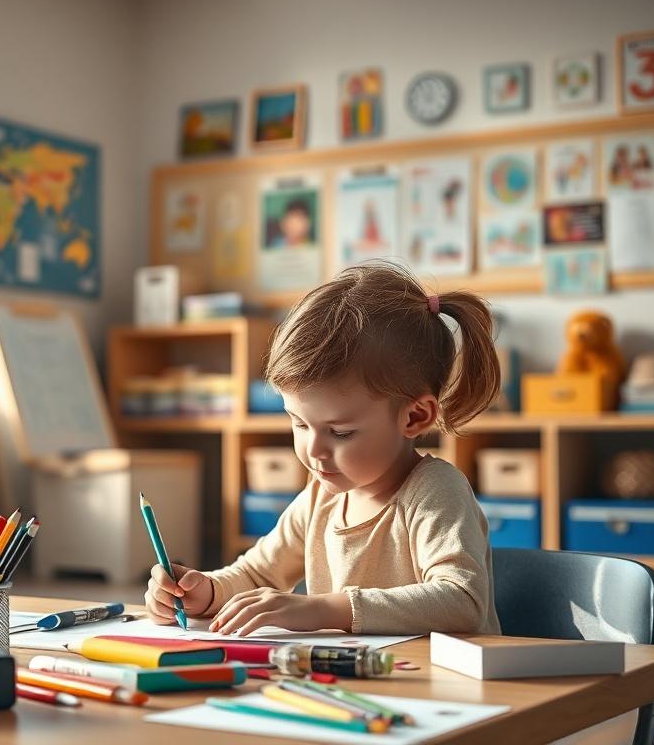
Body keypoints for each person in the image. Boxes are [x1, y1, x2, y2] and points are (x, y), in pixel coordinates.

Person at [144, 263, 503, 636]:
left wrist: (324, 610)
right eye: (299, 423)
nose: (313, 450)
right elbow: (257, 573)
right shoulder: (319, 498)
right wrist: (206, 591)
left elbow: (462, 601)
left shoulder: (435, 492)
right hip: (356, 684)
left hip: (443, 690)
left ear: (414, 417)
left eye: (340, 432)